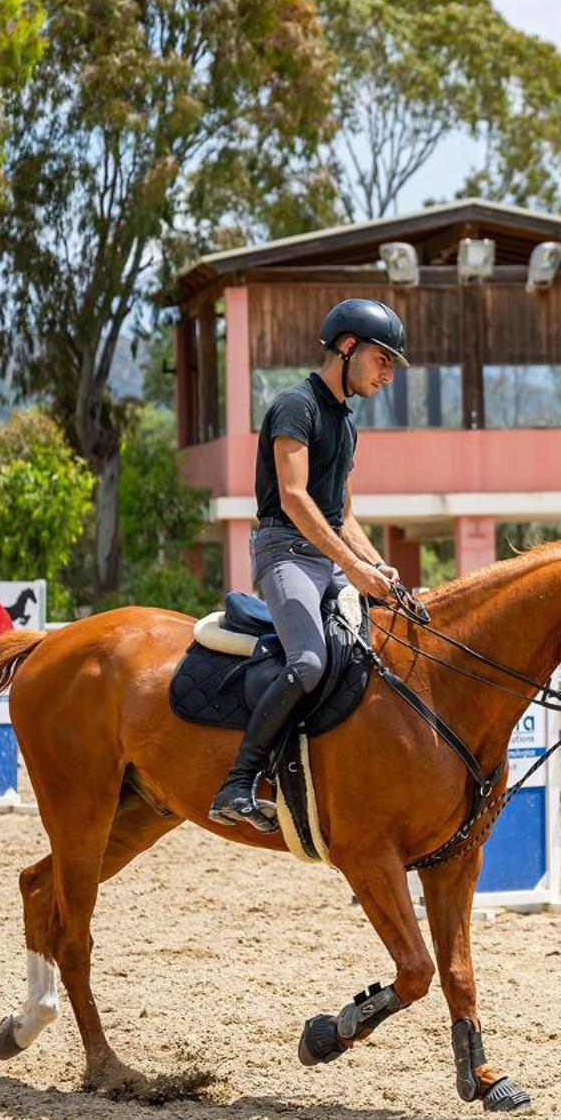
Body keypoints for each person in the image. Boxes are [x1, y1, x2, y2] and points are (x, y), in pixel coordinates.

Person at [208, 298, 409, 832]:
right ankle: (238, 781)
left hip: (328, 556)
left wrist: (378, 566)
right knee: (310, 663)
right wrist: (354, 568)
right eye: (383, 359)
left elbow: (342, 515)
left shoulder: (345, 424)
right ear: (348, 347)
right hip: (284, 552)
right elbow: (296, 500)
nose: (388, 373)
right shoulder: (296, 406)